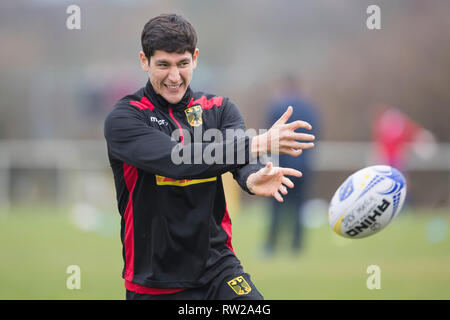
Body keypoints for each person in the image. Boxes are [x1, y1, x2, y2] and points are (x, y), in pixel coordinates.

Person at [104, 13, 315, 300]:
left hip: (218, 268)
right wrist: (258, 143)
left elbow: (238, 156)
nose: (174, 76)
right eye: (163, 65)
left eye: (183, 64)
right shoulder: (126, 118)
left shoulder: (219, 109)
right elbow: (178, 160)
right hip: (155, 280)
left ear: (196, 58)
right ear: (144, 61)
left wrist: (253, 176)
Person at [264, 75, 320, 256]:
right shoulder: (310, 108)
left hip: (279, 165)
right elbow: (316, 134)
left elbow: (267, 137)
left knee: (275, 207)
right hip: (303, 166)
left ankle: (271, 246)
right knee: (298, 207)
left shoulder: (277, 107)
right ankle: (296, 246)